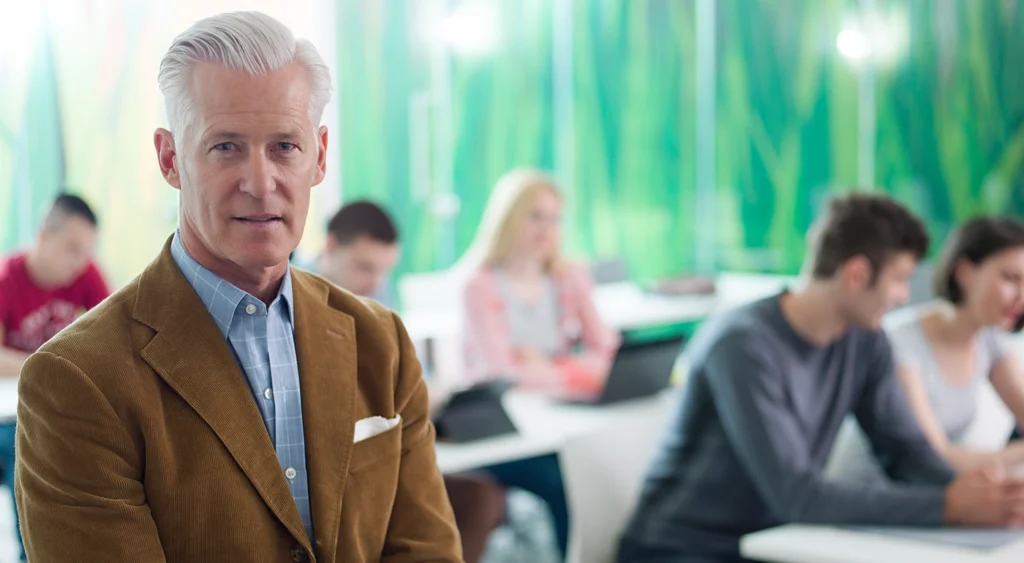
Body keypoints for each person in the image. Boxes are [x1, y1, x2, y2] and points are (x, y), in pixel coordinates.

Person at [15, 12, 460, 563]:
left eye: (284, 147)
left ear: (319, 156)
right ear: (170, 158)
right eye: (225, 146)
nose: (259, 182)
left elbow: (428, 549)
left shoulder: (381, 341)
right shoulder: (78, 380)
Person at [618, 193, 1024, 563]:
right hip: (679, 549)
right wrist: (948, 507)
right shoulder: (741, 346)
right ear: (856, 274)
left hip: (774, 542)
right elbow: (797, 494)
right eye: (899, 279)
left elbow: (906, 455)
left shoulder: (866, 342)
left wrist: (987, 498)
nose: (904, 296)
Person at [315, 200, 505, 563]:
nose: (374, 282)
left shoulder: (376, 296)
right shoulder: (286, 299)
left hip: (383, 448)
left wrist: (429, 391)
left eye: (384, 271)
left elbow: (406, 372)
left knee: (482, 497)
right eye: (365, 267)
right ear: (330, 247)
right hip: (338, 466)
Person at [460, 168, 621, 559]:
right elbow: (503, 374)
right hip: (504, 433)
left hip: (560, 421)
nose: (545, 229)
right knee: (565, 480)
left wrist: (548, 366)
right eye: (535, 216)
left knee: (605, 465)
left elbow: (609, 353)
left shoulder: (569, 277)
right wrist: (575, 369)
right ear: (509, 218)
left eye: (554, 219)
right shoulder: (478, 285)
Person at [829, 216, 1024, 481]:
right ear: (965, 272)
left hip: (928, 495)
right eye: (1011, 279)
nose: (1021, 297)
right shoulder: (899, 344)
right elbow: (935, 458)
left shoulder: (991, 338)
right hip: (874, 499)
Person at [0, 192, 110, 561]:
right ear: (45, 234)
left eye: (87, 251)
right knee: (21, 450)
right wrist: (50, 363)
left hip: (54, 406)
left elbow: (112, 337)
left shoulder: (85, 275)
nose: (80, 262)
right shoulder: (6, 278)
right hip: (9, 412)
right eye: (72, 248)